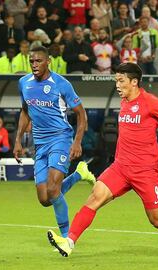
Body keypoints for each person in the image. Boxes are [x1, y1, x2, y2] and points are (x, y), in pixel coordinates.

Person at [47, 62, 158, 258]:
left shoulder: (151, 102)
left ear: (134, 82)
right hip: (120, 168)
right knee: (95, 197)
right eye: (116, 80)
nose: (117, 85)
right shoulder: (124, 101)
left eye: (121, 81)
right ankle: (69, 242)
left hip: (145, 172)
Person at [13, 45, 96, 238]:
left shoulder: (61, 84)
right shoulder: (24, 83)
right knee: (44, 198)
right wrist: (18, 139)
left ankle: (67, 238)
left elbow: (81, 114)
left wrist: (77, 142)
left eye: (38, 61)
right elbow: (25, 111)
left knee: (52, 189)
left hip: (60, 138)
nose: (34, 65)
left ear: (48, 62)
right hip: (40, 143)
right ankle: (78, 175)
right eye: (31, 61)